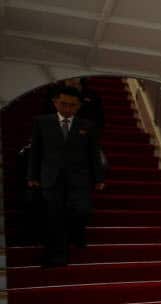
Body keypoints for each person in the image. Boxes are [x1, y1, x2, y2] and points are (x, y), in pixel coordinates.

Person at [27, 85, 105, 266]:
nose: (68, 108)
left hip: (79, 179)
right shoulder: (42, 122)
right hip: (51, 178)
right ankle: (58, 256)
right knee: (55, 217)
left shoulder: (87, 126)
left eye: (72, 105)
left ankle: (76, 234)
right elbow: (36, 151)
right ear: (55, 103)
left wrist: (99, 178)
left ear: (78, 106)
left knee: (81, 211)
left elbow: (93, 154)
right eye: (64, 104)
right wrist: (32, 176)